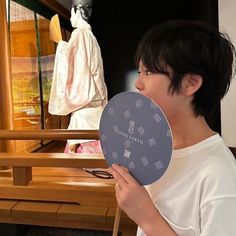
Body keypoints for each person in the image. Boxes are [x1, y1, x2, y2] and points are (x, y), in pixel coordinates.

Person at [109, 20, 236, 236]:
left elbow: (149, 221)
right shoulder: (156, 149)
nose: (138, 84)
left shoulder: (220, 175)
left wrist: (147, 218)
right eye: (139, 72)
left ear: (190, 83)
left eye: (148, 72)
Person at [48, 0, 107, 153]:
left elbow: (74, 62)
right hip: (97, 99)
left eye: (72, 13)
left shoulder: (80, 33)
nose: (71, 17)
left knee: (78, 124)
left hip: (87, 99)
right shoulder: (90, 36)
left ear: (78, 12)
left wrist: (61, 45)